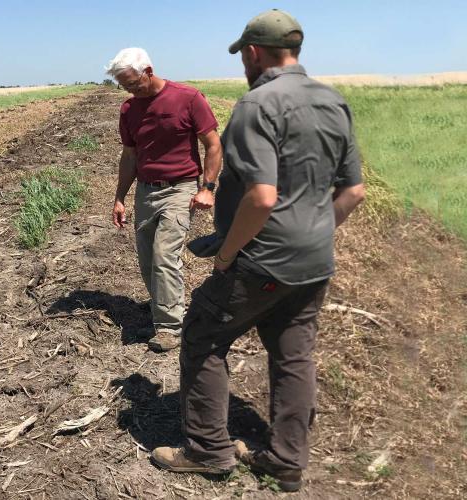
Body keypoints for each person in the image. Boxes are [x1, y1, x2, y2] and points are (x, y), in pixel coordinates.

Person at [150, 9, 366, 492]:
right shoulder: (333, 101)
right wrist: (311, 233)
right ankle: (287, 460)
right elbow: (353, 191)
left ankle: (208, 449)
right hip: (314, 260)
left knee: (203, 334)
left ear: (251, 53)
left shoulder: (257, 105)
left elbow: (262, 197)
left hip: (260, 259)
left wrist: (226, 255)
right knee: (294, 355)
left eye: (242, 56)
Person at [106, 48, 223, 352]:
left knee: (164, 255)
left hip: (181, 188)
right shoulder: (129, 110)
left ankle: (171, 326)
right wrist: (120, 197)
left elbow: (212, 144)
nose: (129, 89)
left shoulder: (187, 98)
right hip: (146, 191)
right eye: (123, 85)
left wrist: (207, 188)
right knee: (146, 260)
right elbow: (129, 155)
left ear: (148, 70)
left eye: (132, 82)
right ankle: (164, 305)